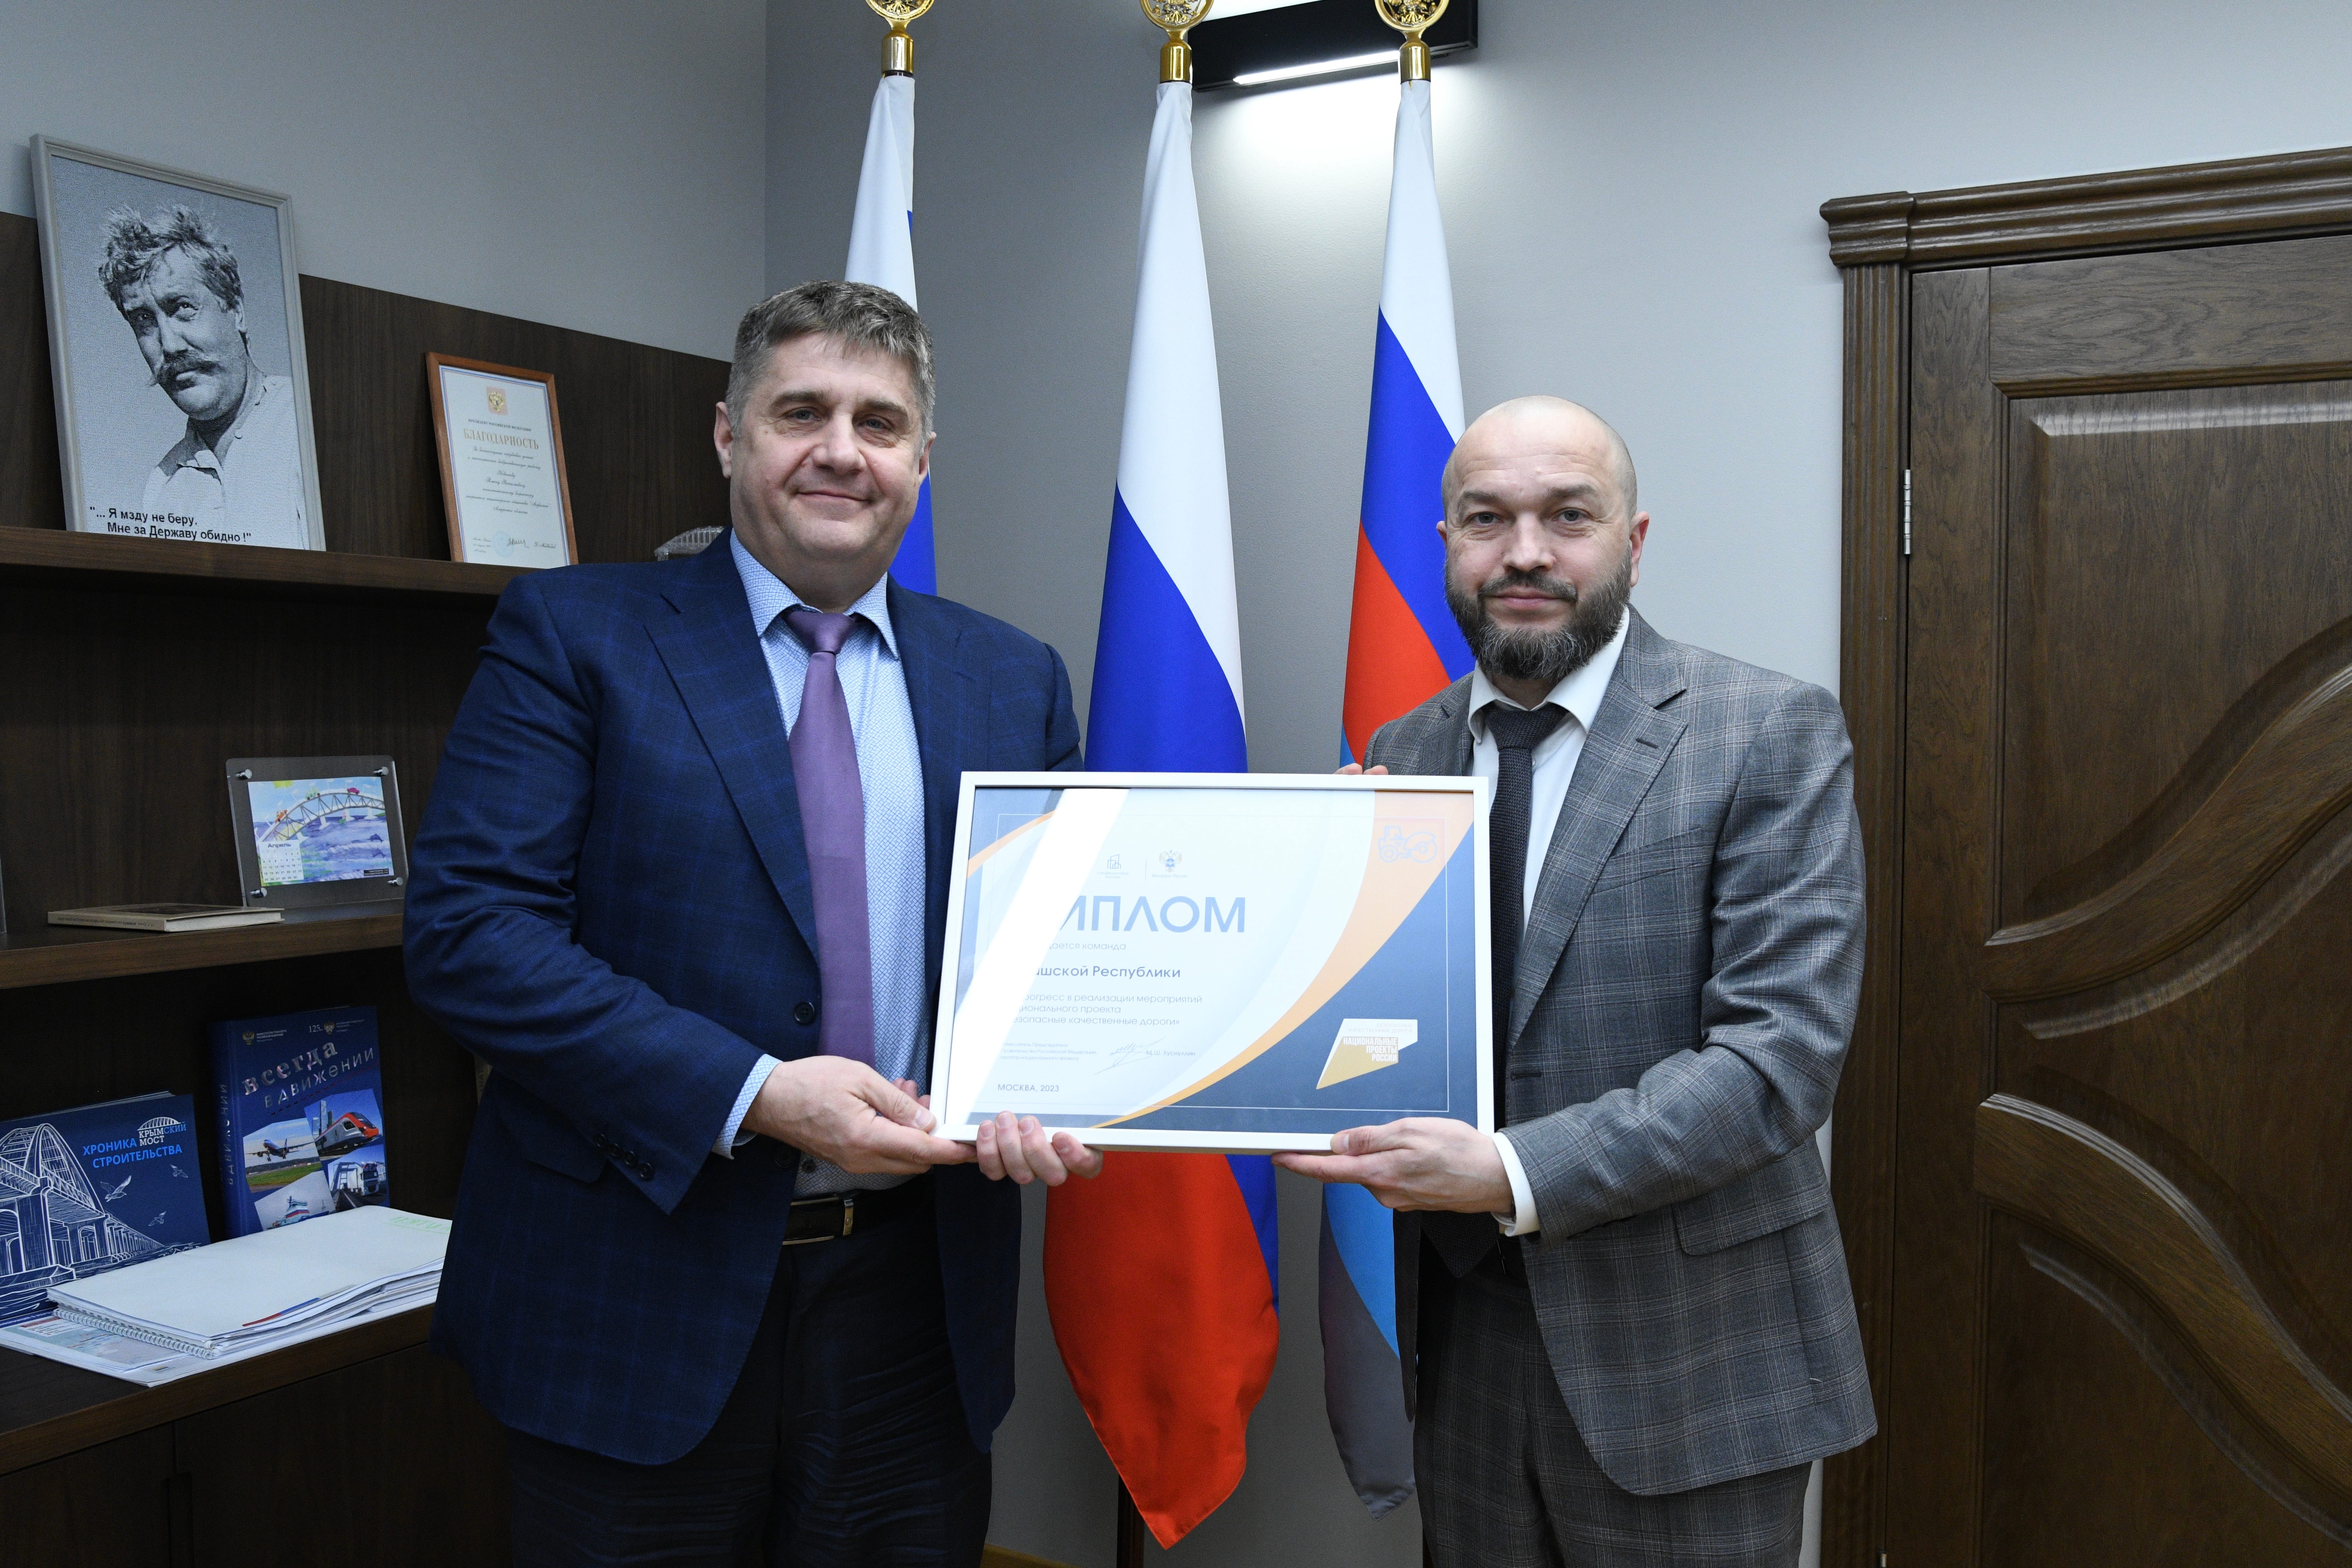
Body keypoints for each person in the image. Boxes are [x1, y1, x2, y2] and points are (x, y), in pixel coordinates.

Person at [404, 280, 1101, 1567]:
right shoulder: (576, 633)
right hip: (633, 1293)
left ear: (922, 460)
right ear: (729, 436)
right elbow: (471, 937)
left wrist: (1050, 1080)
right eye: (801, 412)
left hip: (912, 1305)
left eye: (878, 423)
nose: (841, 450)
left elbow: (1052, 957)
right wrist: (758, 1093)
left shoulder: (1012, 676)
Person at [1279, 397, 1874, 1567]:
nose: (1524, 553)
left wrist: (1507, 1170)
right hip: (1465, 1344)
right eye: (1485, 519)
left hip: (1687, 1357)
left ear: (1632, 542)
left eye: (1567, 516)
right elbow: (1386, 1029)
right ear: (1444, 542)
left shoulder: (1764, 730)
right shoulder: (1402, 754)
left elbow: (1776, 1062)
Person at [96, 206, 308, 547]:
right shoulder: (164, 487)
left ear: (236, 310)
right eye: (144, 321)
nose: (170, 345)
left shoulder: (307, 427)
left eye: (182, 307)